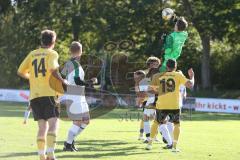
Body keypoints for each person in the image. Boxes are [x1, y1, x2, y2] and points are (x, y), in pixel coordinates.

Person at [18, 29, 66, 160]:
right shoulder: (52, 53)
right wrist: (63, 81)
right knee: (53, 124)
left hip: (34, 95)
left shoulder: (32, 54)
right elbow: (53, 69)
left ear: (41, 41)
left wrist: (32, 78)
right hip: (49, 94)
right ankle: (50, 154)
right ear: (53, 42)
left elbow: (20, 71)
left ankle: (41, 156)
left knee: (42, 127)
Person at [146, 59, 194, 152]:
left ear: (166, 66)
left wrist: (160, 90)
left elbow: (150, 90)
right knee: (176, 124)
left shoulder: (157, 75)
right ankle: (175, 147)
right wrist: (192, 76)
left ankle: (149, 144)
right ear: (175, 66)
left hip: (161, 103)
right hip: (174, 104)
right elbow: (190, 85)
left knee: (156, 122)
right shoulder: (178, 75)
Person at [61, 41, 97, 151]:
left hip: (77, 95)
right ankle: (68, 145)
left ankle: (70, 141)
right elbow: (77, 80)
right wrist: (90, 82)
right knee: (77, 121)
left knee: (86, 121)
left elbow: (62, 78)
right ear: (81, 51)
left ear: (70, 51)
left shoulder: (68, 64)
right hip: (75, 95)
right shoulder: (75, 64)